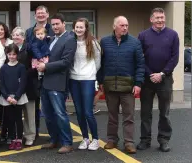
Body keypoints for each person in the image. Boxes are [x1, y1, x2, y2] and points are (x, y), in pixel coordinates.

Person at [97, 16, 145, 154]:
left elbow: (140, 65)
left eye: (126, 25)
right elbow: (100, 63)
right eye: (122, 25)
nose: (125, 28)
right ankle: (112, 139)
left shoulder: (135, 43)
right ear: (114, 26)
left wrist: (138, 83)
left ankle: (129, 142)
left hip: (128, 87)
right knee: (112, 115)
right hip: (110, 85)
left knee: (128, 116)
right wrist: (100, 81)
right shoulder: (105, 42)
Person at [137, 8, 179, 152]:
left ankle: (163, 140)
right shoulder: (143, 35)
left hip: (165, 79)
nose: (160, 20)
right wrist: (151, 74)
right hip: (147, 80)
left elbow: (175, 58)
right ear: (151, 19)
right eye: (157, 18)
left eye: (162, 17)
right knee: (145, 112)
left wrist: (162, 73)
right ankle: (145, 140)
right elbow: (139, 57)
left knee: (164, 112)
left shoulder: (173, 35)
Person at [37, 13, 76, 154]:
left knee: (60, 114)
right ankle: (54, 140)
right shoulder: (51, 39)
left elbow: (66, 62)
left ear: (64, 24)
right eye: (53, 25)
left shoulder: (70, 39)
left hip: (58, 82)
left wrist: (46, 67)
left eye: (57, 24)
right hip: (45, 82)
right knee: (48, 114)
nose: (55, 27)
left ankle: (67, 143)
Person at [69, 18, 101, 151]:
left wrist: (91, 73)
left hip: (88, 79)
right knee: (79, 111)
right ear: (73, 28)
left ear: (86, 28)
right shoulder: (71, 42)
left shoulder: (93, 43)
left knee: (88, 112)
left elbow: (98, 62)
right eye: (77, 27)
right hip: (74, 79)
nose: (79, 29)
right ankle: (85, 138)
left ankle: (95, 139)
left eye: (81, 27)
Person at [25, 5, 55, 137]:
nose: (41, 15)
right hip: (34, 71)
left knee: (52, 104)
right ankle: (34, 132)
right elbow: (27, 49)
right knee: (34, 103)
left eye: (43, 13)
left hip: (51, 71)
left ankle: (54, 135)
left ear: (48, 15)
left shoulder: (53, 29)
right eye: (38, 13)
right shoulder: (29, 31)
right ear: (35, 16)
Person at [11, 26, 37, 146]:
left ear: (23, 37)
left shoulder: (30, 48)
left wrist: (23, 75)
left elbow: (35, 66)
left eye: (18, 35)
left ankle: (30, 136)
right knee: (16, 113)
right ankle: (17, 136)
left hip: (29, 85)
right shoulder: (11, 49)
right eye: (14, 35)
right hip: (15, 86)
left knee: (29, 113)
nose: (16, 37)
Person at [0, 44, 28, 150]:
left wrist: (16, 97)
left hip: (18, 98)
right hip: (7, 98)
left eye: (14, 54)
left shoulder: (21, 67)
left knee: (18, 119)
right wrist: (7, 97)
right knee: (9, 119)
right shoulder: (3, 68)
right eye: (9, 54)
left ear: (17, 55)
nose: (11, 56)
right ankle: (12, 138)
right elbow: (1, 84)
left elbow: (23, 84)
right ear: (7, 55)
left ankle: (19, 139)